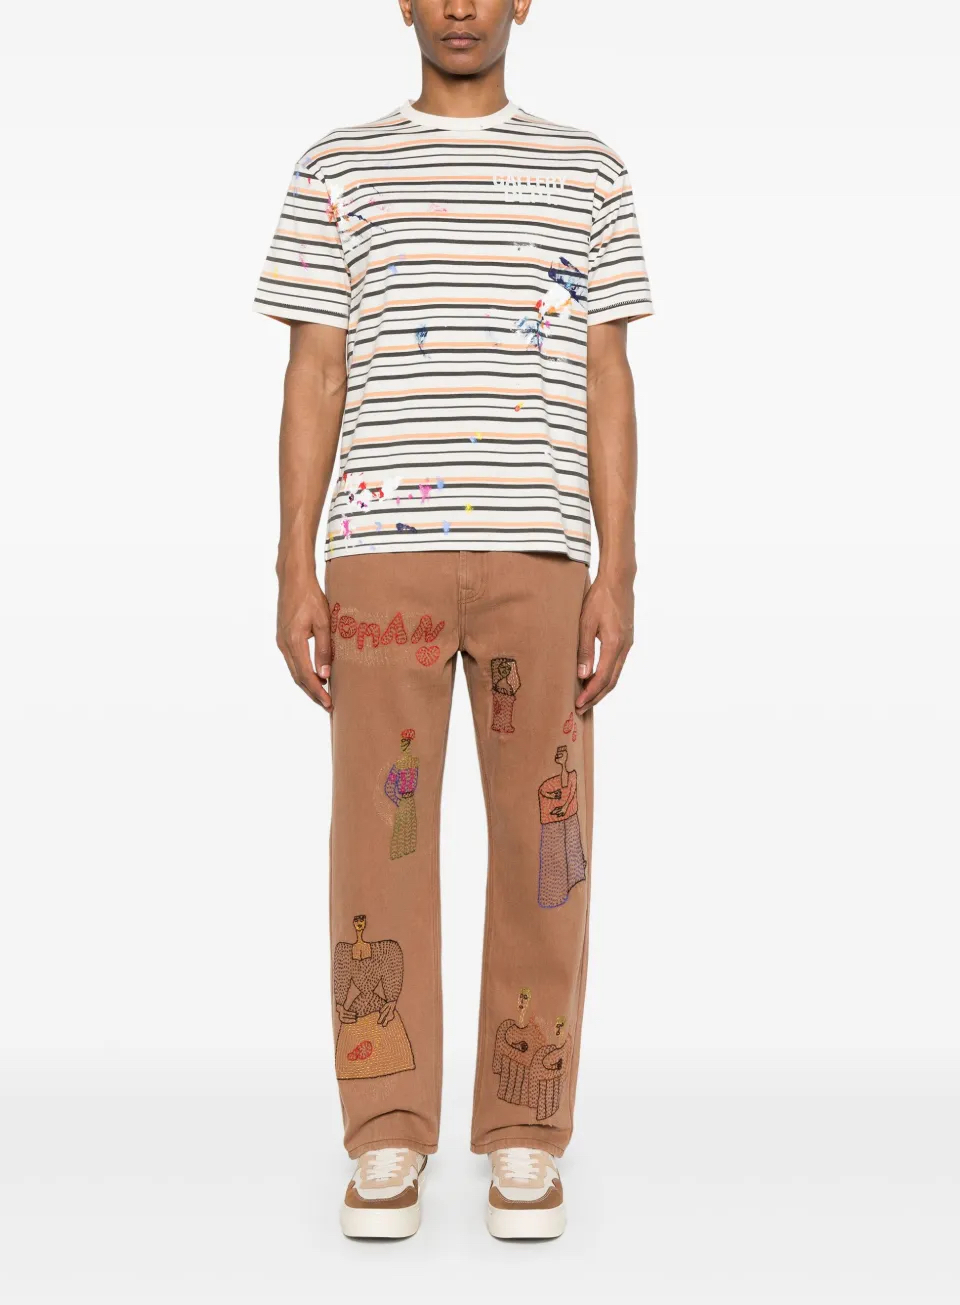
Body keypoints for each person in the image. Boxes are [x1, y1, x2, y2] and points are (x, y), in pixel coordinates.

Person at [253, 0, 653, 1241]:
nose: (463, 6)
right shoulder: (338, 166)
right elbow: (315, 369)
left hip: (539, 552)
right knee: (379, 848)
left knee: (546, 849)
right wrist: (293, 565)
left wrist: (618, 567)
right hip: (381, 560)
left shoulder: (587, 169)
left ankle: (525, 1126)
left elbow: (606, 375)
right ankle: (386, 1127)